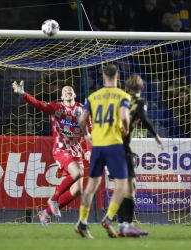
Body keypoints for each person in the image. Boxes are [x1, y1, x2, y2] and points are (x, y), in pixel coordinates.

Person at [12, 81, 91, 226]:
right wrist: (23, 94)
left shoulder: (83, 111)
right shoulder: (56, 108)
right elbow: (38, 104)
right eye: (65, 90)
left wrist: (90, 151)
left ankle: (45, 213)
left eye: (70, 89)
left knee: (77, 190)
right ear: (61, 96)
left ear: (74, 94)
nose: (68, 91)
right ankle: (53, 199)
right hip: (61, 150)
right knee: (78, 173)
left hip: (76, 153)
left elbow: (90, 133)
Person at [74, 64, 130, 239]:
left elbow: (82, 119)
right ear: (118, 77)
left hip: (97, 146)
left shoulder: (93, 96)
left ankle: (82, 222)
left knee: (91, 186)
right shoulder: (123, 95)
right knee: (122, 186)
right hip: (113, 144)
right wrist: (126, 128)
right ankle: (108, 218)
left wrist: (87, 134)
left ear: (103, 77)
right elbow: (123, 117)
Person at [114, 74, 164, 237]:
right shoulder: (139, 102)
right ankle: (126, 224)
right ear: (142, 88)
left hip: (110, 146)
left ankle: (122, 225)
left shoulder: (120, 100)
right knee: (130, 186)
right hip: (123, 148)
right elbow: (143, 117)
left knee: (124, 186)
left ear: (126, 88)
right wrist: (155, 135)